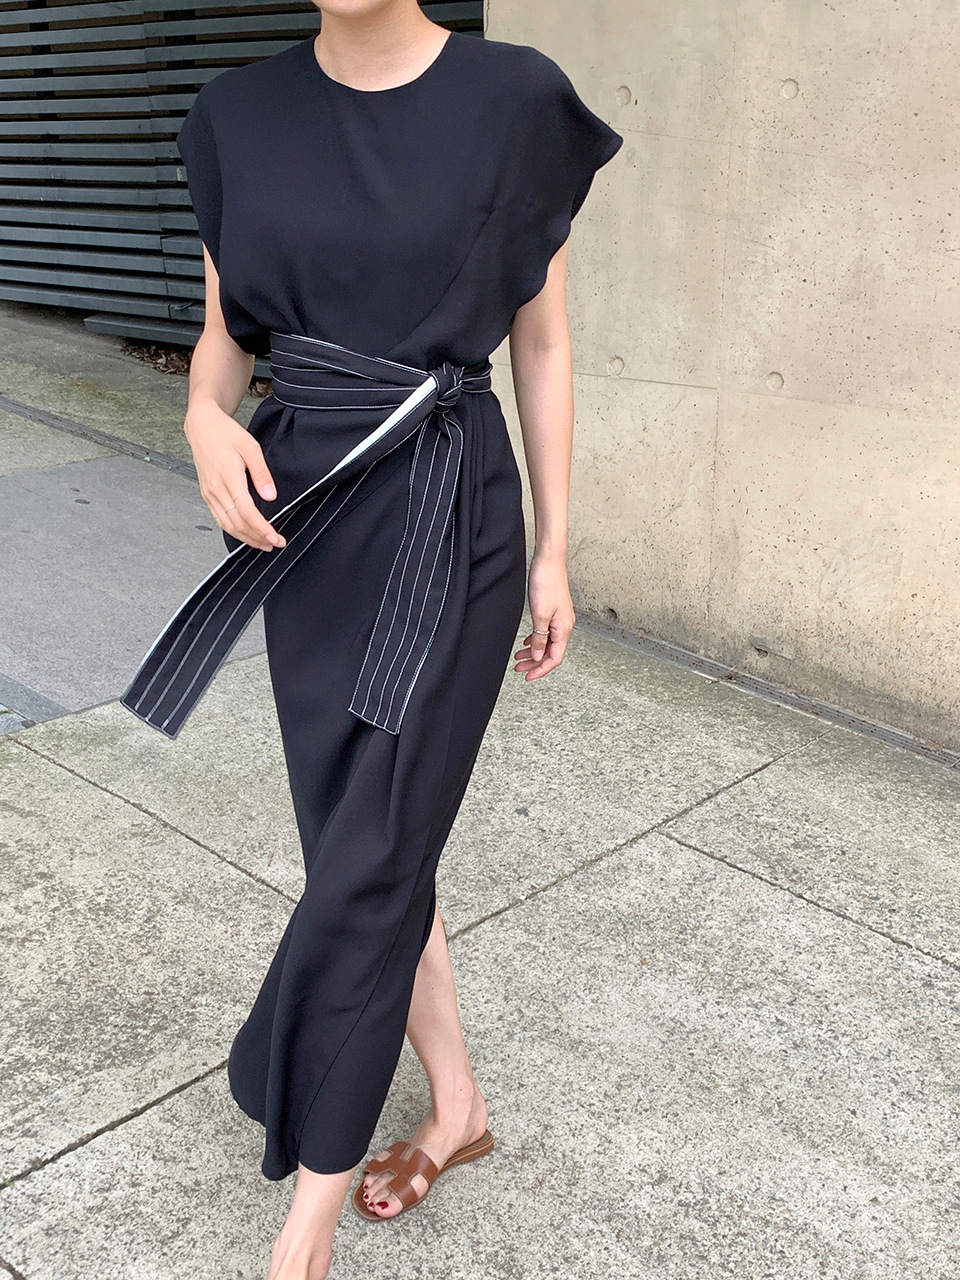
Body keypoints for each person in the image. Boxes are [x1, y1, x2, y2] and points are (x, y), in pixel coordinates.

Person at [129, 3, 622, 1276]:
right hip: (305, 522)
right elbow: (227, 340)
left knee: (373, 852)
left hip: (452, 514)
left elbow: (543, 340)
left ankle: (307, 1221)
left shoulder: (515, 100)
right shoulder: (235, 117)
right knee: (366, 844)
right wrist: (201, 418)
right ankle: (457, 1106)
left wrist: (557, 548)